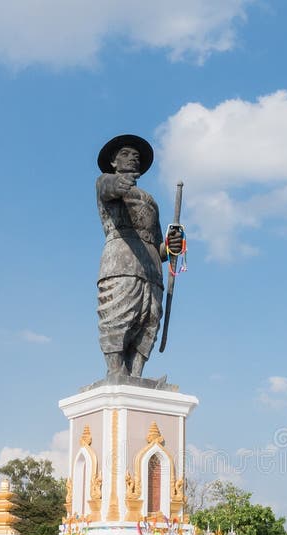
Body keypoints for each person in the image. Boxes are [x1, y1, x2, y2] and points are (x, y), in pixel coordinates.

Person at [95, 134, 183, 378]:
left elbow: (157, 244)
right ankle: (115, 371)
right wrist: (118, 184)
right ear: (113, 161)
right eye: (125, 153)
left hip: (151, 267)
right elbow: (107, 188)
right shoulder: (105, 181)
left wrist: (170, 247)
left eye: (136, 155)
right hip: (121, 258)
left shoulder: (150, 201)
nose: (133, 157)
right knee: (119, 314)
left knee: (149, 319)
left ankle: (135, 374)